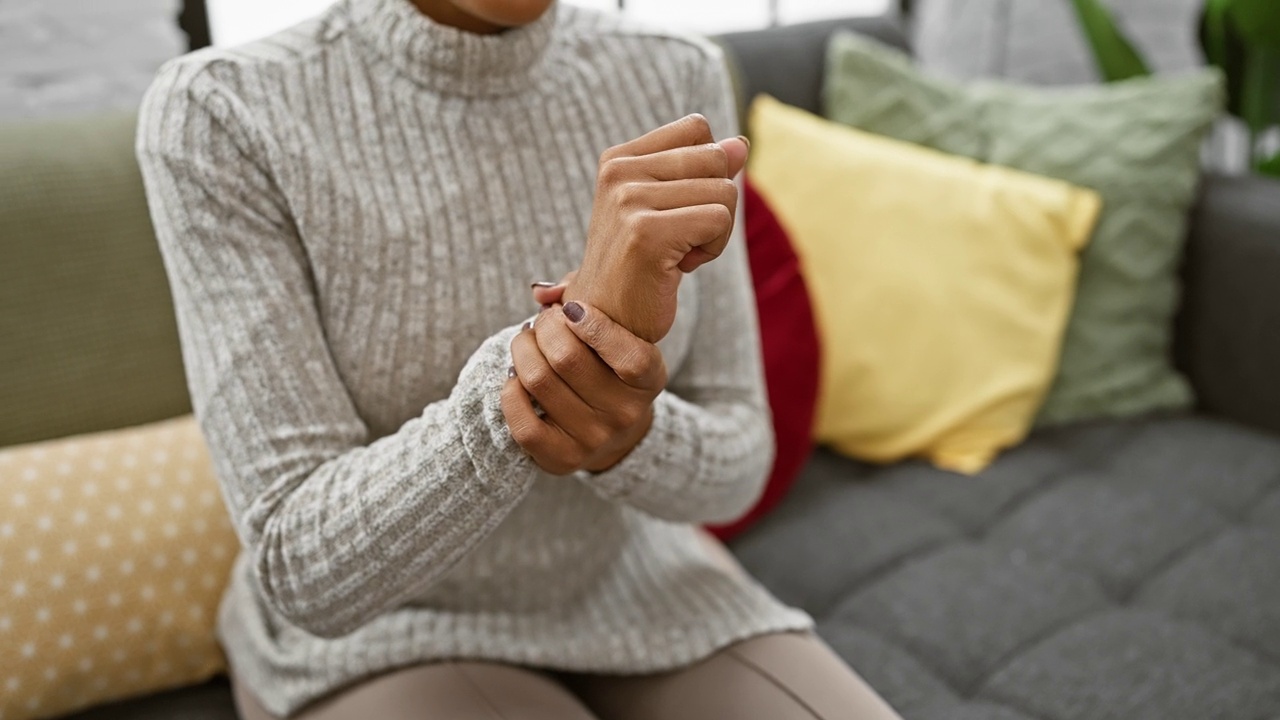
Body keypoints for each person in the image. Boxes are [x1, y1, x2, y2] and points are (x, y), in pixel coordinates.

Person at [136, 0, 903, 717]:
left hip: (642, 587)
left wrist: (627, 430)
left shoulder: (676, 72)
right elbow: (304, 570)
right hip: (376, 632)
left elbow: (739, 468)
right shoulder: (221, 111)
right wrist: (546, 380)